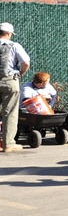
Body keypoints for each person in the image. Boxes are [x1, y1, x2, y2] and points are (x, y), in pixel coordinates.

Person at [0, 22, 30, 153]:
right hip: (9, 80)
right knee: (10, 112)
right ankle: (8, 144)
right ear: (9, 33)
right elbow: (26, 63)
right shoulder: (14, 45)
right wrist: (21, 73)